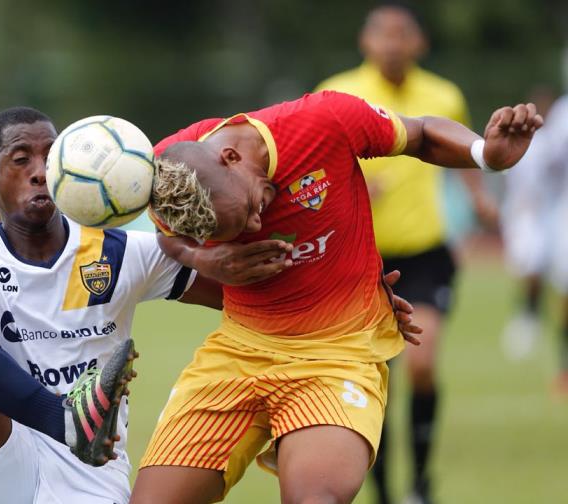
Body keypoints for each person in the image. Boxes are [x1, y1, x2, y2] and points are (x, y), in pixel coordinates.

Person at [0, 106, 423, 503]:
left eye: (49, 156)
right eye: (20, 159)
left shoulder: (124, 251)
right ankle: (63, 418)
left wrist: (354, 294)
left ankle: (75, 426)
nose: (39, 170)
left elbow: (247, 290)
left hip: (90, 476)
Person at [131, 91, 540, 504]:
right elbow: (171, 241)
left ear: (231, 157)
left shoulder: (323, 121)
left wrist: (484, 154)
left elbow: (419, 133)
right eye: (238, 228)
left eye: (250, 208)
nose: (257, 223)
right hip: (237, 352)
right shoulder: (167, 176)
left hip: (338, 353)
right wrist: (204, 258)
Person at [313, 4, 499, 502]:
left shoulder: (444, 95)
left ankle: (419, 481)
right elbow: (310, 168)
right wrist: (347, 185)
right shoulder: (337, 92)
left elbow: (456, 152)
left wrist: (479, 197)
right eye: (383, 34)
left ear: (420, 43)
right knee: (374, 381)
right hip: (358, 259)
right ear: (365, 42)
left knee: (421, 364)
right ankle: (382, 490)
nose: (393, 43)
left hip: (424, 252)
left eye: (403, 34)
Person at [501, 88, 568, 394]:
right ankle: (530, 320)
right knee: (540, 271)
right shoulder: (563, 116)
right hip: (544, 211)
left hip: (552, 210)